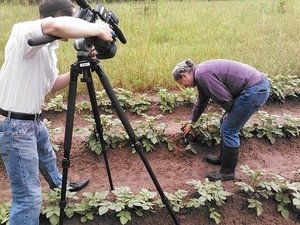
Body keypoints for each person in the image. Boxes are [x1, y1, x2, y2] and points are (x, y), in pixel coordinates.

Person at [0, 0, 113, 224]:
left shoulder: (48, 48)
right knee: (28, 198)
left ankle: (61, 186)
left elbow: (50, 84)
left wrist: (79, 66)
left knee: (46, 153)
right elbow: (56, 26)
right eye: (72, 21)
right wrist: (99, 28)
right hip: (13, 125)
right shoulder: (23, 31)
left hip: (29, 120)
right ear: (59, 18)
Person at [172, 59, 270, 182]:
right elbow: (201, 103)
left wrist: (230, 112)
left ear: (184, 75)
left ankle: (227, 172)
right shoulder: (200, 75)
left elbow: (225, 99)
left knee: (229, 129)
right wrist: (192, 122)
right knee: (225, 124)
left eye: (182, 82)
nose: (184, 86)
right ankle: (223, 159)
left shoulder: (202, 74)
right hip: (254, 88)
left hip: (254, 91)